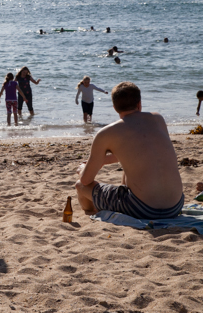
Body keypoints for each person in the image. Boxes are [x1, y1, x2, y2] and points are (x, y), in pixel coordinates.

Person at [74, 82, 184, 219]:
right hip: (175, 206)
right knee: (131, 170)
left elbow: (86, 180)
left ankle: (92, 211)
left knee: (80, 186)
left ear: (114, 108)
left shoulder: (107, 133)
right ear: (139, 103)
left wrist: (82, 169)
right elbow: (139, 152)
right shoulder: (157, 119)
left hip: (143, 209)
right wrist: (104, 160)